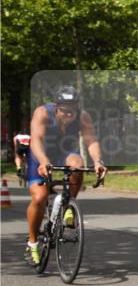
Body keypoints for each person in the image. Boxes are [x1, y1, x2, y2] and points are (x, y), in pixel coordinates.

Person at [25, 85, 108, 265]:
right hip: (39, 154)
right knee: (40, 197)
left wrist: (98, 161)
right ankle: (32, 242)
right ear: (56, 106)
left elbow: (91, 140)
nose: (69, 114)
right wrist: (43, 161)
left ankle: (68, 205)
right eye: (64, 110)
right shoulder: (42, 113)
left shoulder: (83, 116)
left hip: (64, 152)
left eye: (73, 110)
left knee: (77, 165)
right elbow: (36, 139)